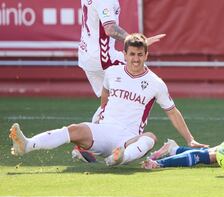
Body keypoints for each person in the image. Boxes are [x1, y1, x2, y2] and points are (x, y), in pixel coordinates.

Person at [9, 33, 208, 167]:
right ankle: (27, 145)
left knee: (151, 137)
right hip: (103, 132)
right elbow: (105, 94)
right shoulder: (112, 72)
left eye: (140, 54)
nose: (136, 59)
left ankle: (119, 158)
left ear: (147, 54)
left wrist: (190, 139)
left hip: (129, 139)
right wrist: (100, 114)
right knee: (74, 129)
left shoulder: (156, 83)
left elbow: (172, 111)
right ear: (125, 54)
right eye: (132, 54)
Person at [76, 0, 165, 161]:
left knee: (110, 100)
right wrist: (137, 41)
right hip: (103, 57)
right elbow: (110, 29)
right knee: (138, 65)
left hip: (86, 55)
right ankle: (124, 140)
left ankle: (87, 146)